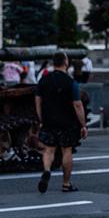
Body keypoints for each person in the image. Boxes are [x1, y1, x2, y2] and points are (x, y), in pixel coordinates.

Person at [35, 52, 88, 193]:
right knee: (66, 150)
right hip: (67, 122)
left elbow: (38, 101)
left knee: (48, 150)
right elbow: (77, 105)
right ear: (66, 62)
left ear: (53, 63)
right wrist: (83, 124)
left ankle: (47, 170)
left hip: (48, 120)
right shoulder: (71, 83)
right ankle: (66, 183)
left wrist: (41, 119)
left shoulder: (43, 80)